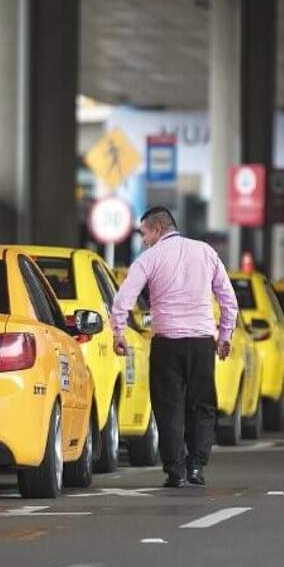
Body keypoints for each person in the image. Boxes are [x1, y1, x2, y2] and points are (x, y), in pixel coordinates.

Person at [110, 207, 238, 488]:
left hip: (167, 344)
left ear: (157, 229)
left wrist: (118, 332)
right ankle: (196, 466)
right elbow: (228, 299)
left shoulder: (148, 259)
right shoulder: (205, 252)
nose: (143, 240)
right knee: (202, 405)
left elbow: (123, 299)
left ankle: (175, 470)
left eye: (144, 233)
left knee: (168, 408)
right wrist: (225, 336)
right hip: (202, 343)